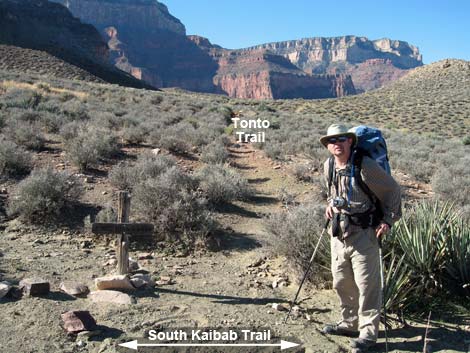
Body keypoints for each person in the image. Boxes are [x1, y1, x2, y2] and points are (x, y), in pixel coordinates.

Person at [319, 124, 401, 351]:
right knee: (341, 282)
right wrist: (329, 206)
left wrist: (388, 220)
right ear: (327, 146)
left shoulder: (364, 165)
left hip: (364, 235)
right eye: (332, 141)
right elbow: (333, 193)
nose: (336, 144)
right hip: (338, 234)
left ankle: (368, 334)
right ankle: (349, 323)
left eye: (341, 139)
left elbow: (393, 190)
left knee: (367, 286)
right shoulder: (329, 166)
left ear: (350, 141)